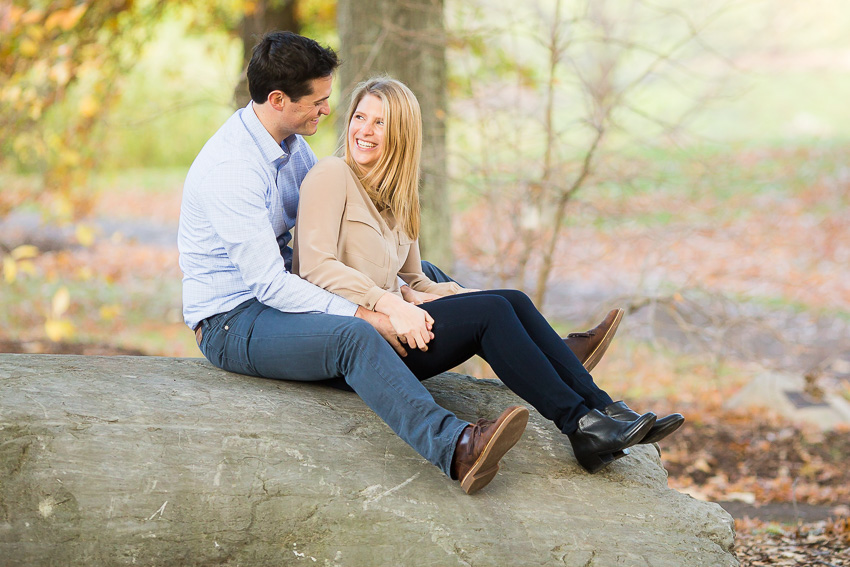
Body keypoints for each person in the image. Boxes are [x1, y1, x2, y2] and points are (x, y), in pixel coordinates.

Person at [176, 31, 642, 493]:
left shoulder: (293, 149)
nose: (327, 110)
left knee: (438, 279)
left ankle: (546, 357)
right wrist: (378, 311)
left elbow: (336, 239)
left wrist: (402, 288)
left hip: (278, 292)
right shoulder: (232, 170)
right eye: (318, 101)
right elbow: (276, 282)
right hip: (236, 319)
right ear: (278, 99)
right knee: (354, 335)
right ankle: (455, 447)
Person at [292, 77, 685, 475]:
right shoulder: (331, 175)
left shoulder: (401, 195)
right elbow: (316, 266)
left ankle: (604, 410)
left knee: (508, 300)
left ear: (401, 133)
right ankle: (580, 426)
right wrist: (390, 300)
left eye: (380, 123)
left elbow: (414, 278)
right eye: (360, 117)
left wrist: (464, 294)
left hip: (400, 326)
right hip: (359, 342)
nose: (365, 131)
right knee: (492, 314)